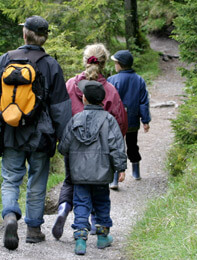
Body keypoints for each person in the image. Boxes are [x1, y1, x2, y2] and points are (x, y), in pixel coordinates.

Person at [0, 15, 72, 250]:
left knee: (11, 178)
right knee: (37, 181)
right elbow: (61, 107)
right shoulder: (51, 64)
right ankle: (33, 229)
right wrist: (64, 138)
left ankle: (10, 215)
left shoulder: (5, 59)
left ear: (25, 34)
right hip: (41, 135)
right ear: (44, 38)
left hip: (10, 132)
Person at [52, 43, 128, 240]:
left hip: (73, 149)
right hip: (102, 151)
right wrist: (117, 156)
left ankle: (64, 208)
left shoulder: (70, 85)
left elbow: (59, 113)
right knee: (99, 186)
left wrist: (63, 142)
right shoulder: (109, 90)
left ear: (85, 61)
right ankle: (98, 225)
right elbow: (119, 123)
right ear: (104, 64)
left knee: (74, 183)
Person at [58, 80, 127, 255]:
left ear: (85, 100)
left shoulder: (76, 119)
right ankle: (103, 237)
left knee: (81, 203)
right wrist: (121, 168)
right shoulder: (109, 120)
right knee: (102, 202)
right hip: (102, 172)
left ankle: (80, 240)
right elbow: (117, 146)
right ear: (102, 101)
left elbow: (63, 146)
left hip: (79, 173)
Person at [107, 50, 151, 188]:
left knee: (115, 148)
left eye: (115, 63)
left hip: (116, 122)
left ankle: (114, 179)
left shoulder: (112, 80)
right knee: (132, 145)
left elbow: (109, 101)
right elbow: (143, 102)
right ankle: (136, 172)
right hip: (132, 120)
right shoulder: (139, 80)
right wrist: (145, 120)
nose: (114, 65)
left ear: (120, 64)